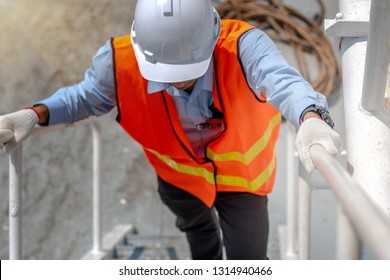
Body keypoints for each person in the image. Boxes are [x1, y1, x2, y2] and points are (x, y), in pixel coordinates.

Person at [0, 0, 341, 260]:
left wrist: (310, 117)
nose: (177, 80)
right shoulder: (118, 63)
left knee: (249, 261)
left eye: (187, 71)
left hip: (244, 183)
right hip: (180, 182)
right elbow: (84, 98)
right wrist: (36, 114)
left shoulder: (244, 47)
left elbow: (283, 82)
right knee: (201, 238)